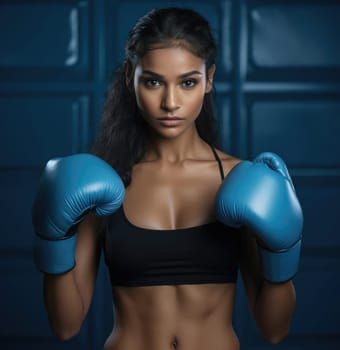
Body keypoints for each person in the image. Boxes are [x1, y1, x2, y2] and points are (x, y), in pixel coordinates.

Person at [32, 7, 303, 350]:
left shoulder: (240, 180)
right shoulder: (102, 184)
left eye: (188, 82)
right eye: (153, 81)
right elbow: (66, 325)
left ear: (209, 80)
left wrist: (283, 251)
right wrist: (53, 241)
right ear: (131, 77)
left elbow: (273, 329)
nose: (170, 102)